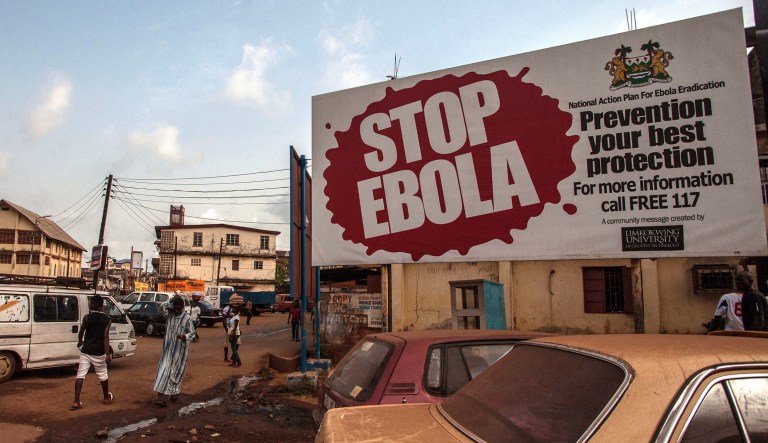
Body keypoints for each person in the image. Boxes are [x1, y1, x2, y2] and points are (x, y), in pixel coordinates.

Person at [70, 295, 113, 410]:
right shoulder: (107, 319)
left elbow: (81, 332)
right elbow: (105, 337)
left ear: (92, 305)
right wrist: (107, 354)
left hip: (86, 350)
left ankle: (76, 401)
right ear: (101, 305)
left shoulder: (87, 318)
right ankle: (106, 397)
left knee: (80, 375)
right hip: (99, 351)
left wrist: (80, 341)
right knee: (103, 374)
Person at [153, 296, 196, 407]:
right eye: (175, 308)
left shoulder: (187, 318)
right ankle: (161, 398)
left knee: (177, 373)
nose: (176, 310)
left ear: (182, 308)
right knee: (163, 372)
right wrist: (171, 300)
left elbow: (192, 333)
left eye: (178, 308)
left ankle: (175, 395)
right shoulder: (169, 316)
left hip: (179, 353)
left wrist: (184, 336)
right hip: (167, 352)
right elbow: (162, 307)